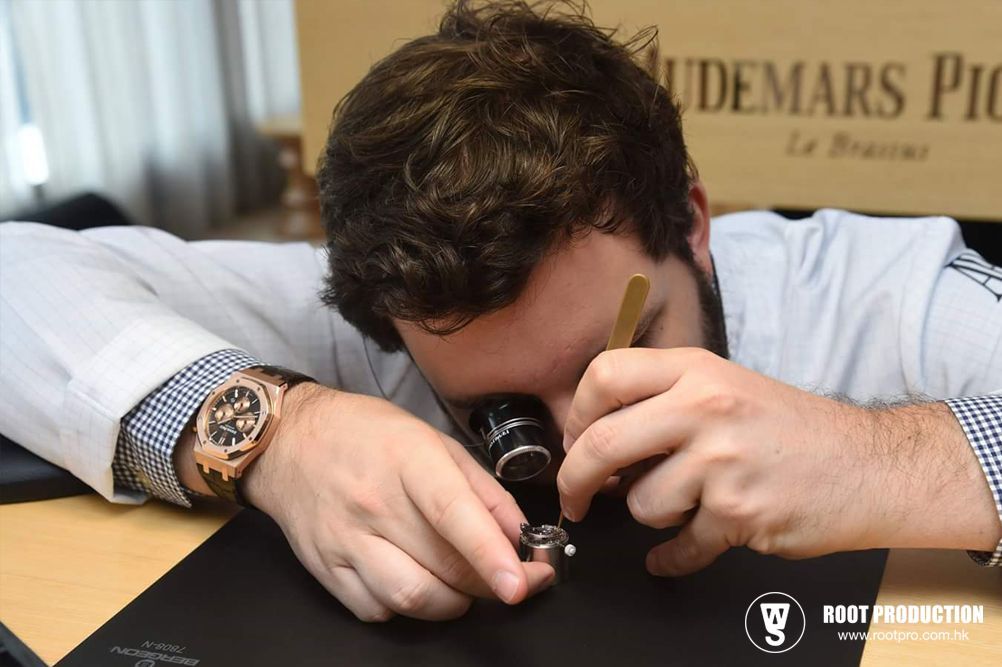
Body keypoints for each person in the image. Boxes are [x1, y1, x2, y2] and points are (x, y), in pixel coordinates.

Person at [1, 0, 999, 624]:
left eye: (627, 350)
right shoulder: (381, 319)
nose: (580, 452)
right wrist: (278, 436)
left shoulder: (870, 293)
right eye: (502, 410)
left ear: (692, 223)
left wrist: (887, 459)